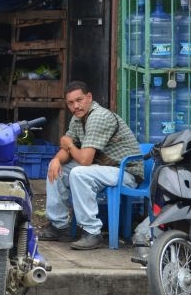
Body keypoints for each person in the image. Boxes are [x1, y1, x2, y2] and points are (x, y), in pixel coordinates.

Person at [39, 80, 143, 250]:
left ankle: (92, 231)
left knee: (79, 173)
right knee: (56, 168)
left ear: (89, 97)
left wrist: (70, 145)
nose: (75, 106)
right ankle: (59, 225)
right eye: (71, 103)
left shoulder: (98, 117)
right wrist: (56, 160)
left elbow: (85, 159)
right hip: (102, 168)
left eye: (79, 100)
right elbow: (66, 149)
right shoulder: (77, 119)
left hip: (126, 171)